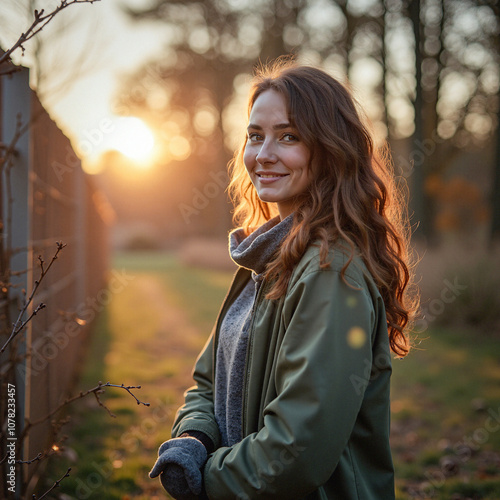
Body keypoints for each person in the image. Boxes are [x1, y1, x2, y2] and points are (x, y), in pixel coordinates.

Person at [149, 59, 417, 499]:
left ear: (330, 149)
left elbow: (297, 449)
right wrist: (195, 441)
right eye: (255, 136)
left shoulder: (332, 273)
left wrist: (207, 478)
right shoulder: (262, 259)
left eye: (288, 137)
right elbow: (206, 381)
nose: (264, 153)